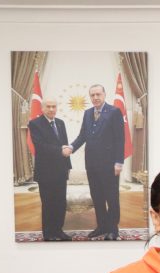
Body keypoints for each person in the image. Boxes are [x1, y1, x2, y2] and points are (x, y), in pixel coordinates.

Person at [65, 84, 125, 240]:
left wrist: (119, 162)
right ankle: (102, 226)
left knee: (111, 197)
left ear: (104, 94)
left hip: (109, 164)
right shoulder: (87, 113)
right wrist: (71, 147)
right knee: (97, 197)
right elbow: (82, 136)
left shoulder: (114, 112)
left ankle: (113, 229)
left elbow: (120, 139)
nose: (95, 97)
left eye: (98, 94)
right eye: (92, 95)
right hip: (91, 164)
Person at [27, 98, 72, 241]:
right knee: (48, 203)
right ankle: (48, 234)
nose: (51, 109)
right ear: (42, 108)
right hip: (46, 171)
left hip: (61, 170)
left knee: (60, 203)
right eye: (48, 106)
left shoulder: (60, 123)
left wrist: (68, 166)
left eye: (54, 106)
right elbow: (40, 147)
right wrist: (60, 150)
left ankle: (59, 230)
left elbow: (65, 144)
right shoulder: (35, 124)